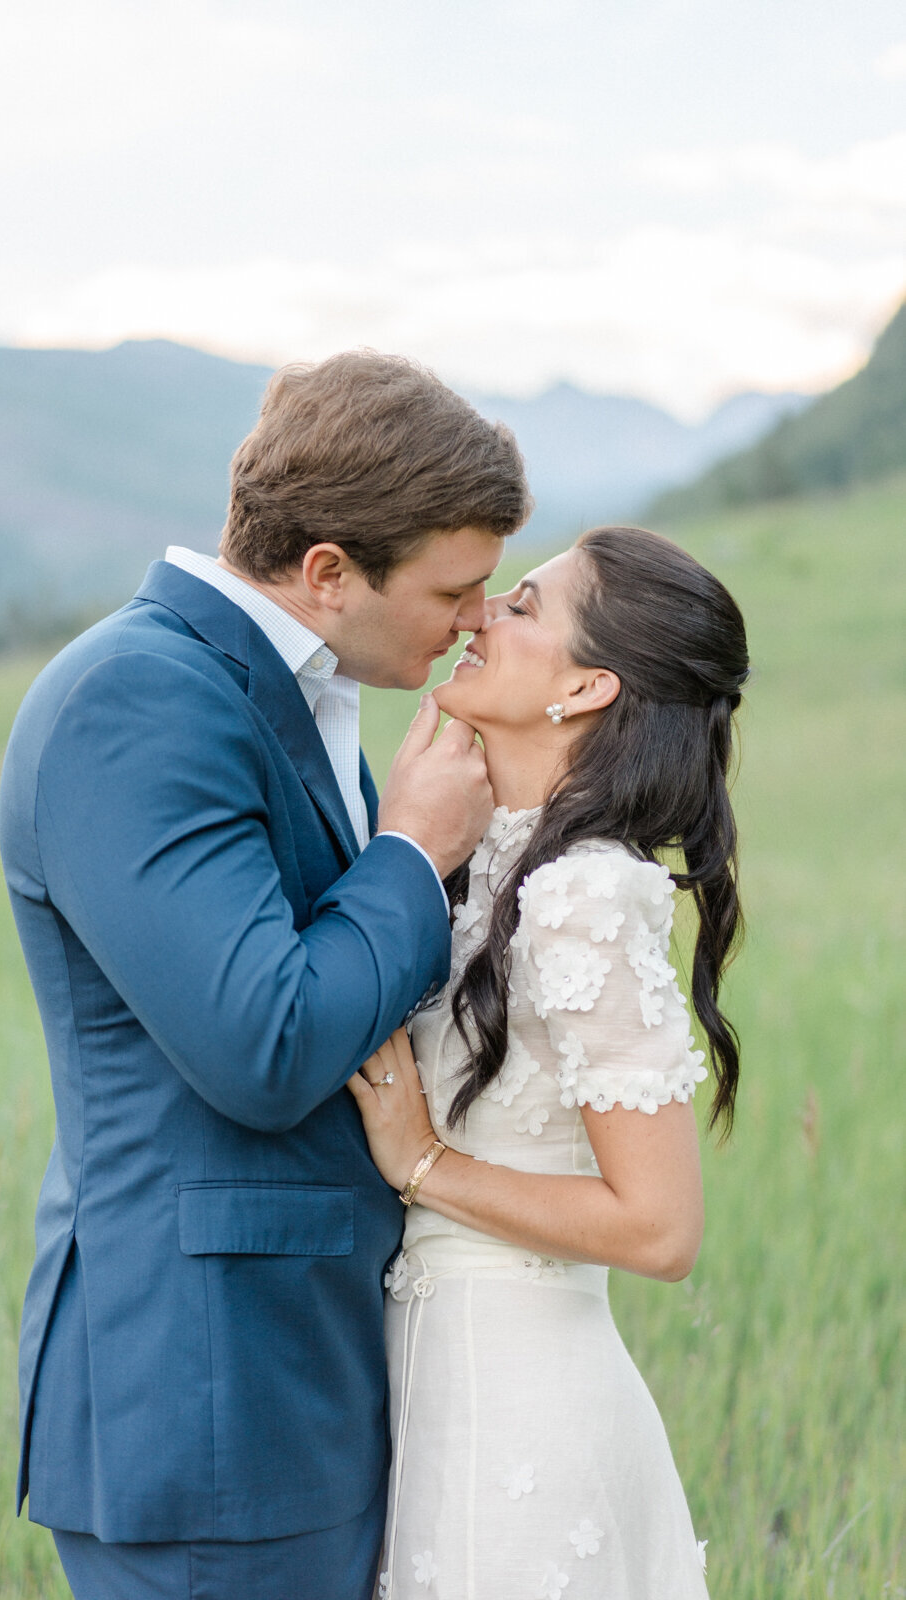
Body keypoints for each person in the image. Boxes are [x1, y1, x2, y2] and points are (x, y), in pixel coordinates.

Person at [0, 351, 531, 1600]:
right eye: (454, 588)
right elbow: (266, 1040)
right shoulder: (135, 701)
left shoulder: (289, 693)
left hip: (297, 1372)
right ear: (329, 571)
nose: (475, 619)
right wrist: (408, 848)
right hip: (209, 1397)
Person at [350, 524, 748, 1599]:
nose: (480, 614)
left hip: (518, 1405)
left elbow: (659, 1229)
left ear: (583, 687)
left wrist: (424, 1163)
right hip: (442, 1386)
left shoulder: (582, 895)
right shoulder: (487, 860)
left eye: (522, 606)